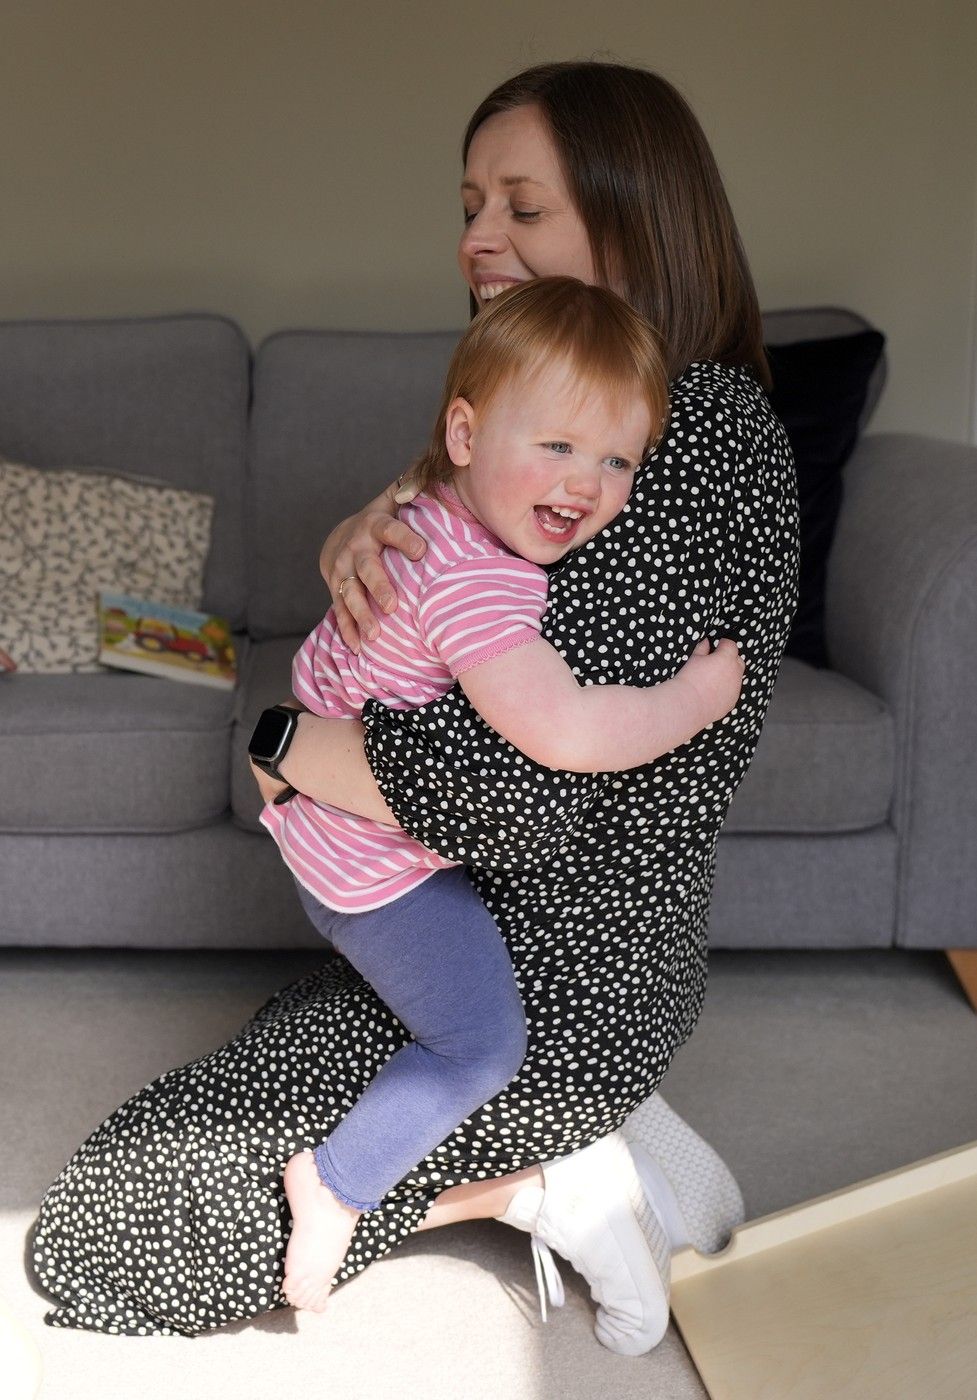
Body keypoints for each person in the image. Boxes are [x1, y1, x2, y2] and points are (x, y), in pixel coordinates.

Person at [31, 60, 799, 1354]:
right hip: (445, 922)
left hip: (555, 982)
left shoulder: (693, 433)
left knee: (111, 1235)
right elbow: (428, 616)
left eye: (522, 207)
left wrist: (285, 744)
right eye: (469, 204)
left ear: (636, 218)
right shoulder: (545, 406)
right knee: (170, 1146)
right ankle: (570, 1149)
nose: (475, 238)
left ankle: (565, 1175)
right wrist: (355, 534)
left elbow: (525, 791)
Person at [256, 275, 745, 1314]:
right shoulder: (481, 583)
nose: (585, 483)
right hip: (371, 868)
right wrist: (696, 699)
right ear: (465, 435)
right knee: (480, 1043)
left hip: (319, 812)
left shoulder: (425, 509)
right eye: (557, 445)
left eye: (616, 460)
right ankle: (336, 1180)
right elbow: (565, 733)